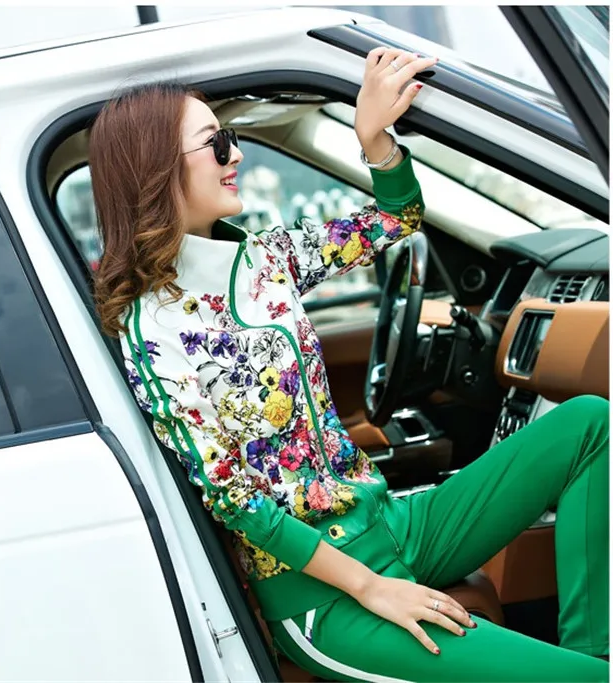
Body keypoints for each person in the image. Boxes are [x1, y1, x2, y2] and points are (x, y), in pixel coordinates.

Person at [88, 48, 609, 682]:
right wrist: (371, 587)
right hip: (322, 597)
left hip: (389, 523)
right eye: (217, 143)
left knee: (589, 424)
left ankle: (596, 654)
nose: (236, 156)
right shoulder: (151, 327)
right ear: (155, 169)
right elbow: (236, 500)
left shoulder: (267, 259)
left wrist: (373, 138)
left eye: (232, 140)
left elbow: (396, 217)